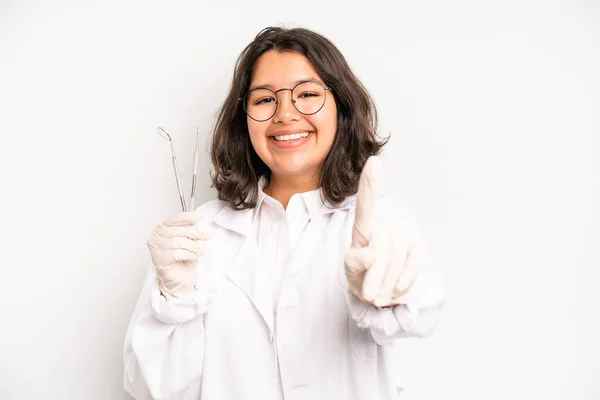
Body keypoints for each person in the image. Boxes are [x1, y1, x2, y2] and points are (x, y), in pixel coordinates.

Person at [123, 26, 446, 400]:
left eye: (307, 94)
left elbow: (423, 307)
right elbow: (147, 388)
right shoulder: (201, 234)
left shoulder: (377, 221)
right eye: (264, 100)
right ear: (243, 119)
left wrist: (386, 292)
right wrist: (174, 301)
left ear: (340, 107)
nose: (286, 114)